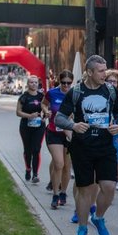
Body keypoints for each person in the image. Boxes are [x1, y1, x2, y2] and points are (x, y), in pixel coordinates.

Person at [55, 55, 118, 235]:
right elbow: (59, 118)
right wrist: (73, 125)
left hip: (105, 146)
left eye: (105, 69)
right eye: (101, 71)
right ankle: (82, 229)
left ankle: (99, 217)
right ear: (90, 72)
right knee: (85, 190)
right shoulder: (76, 91)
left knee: (109, 187)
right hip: (82, 147)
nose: (105, 74)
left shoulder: (110, 90)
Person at [43, 69, 74, 209]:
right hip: (53, 131)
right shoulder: (52, 93)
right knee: (59, 164)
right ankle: (55, 194)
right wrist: (46, 111)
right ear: (59, 82)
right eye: (63, 83)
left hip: (68, 133)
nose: (66, 86)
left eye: (69, 83)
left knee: (67, 166)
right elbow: (43, 103)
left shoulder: (75, 94)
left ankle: (63, 192)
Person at [16, 74, 47, 183]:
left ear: (38, 84)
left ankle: (35, 174)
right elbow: (18, 112)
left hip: (39, 127)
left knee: (36, 149)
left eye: (35, 82)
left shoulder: (42, 96)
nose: (34, 84)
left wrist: (45, 116)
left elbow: (46, 109)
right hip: (26, 126)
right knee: (28, 150)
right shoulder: (24, 97)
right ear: (27, 84)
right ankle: (28, 169)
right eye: (31, 82)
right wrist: (29, 116)